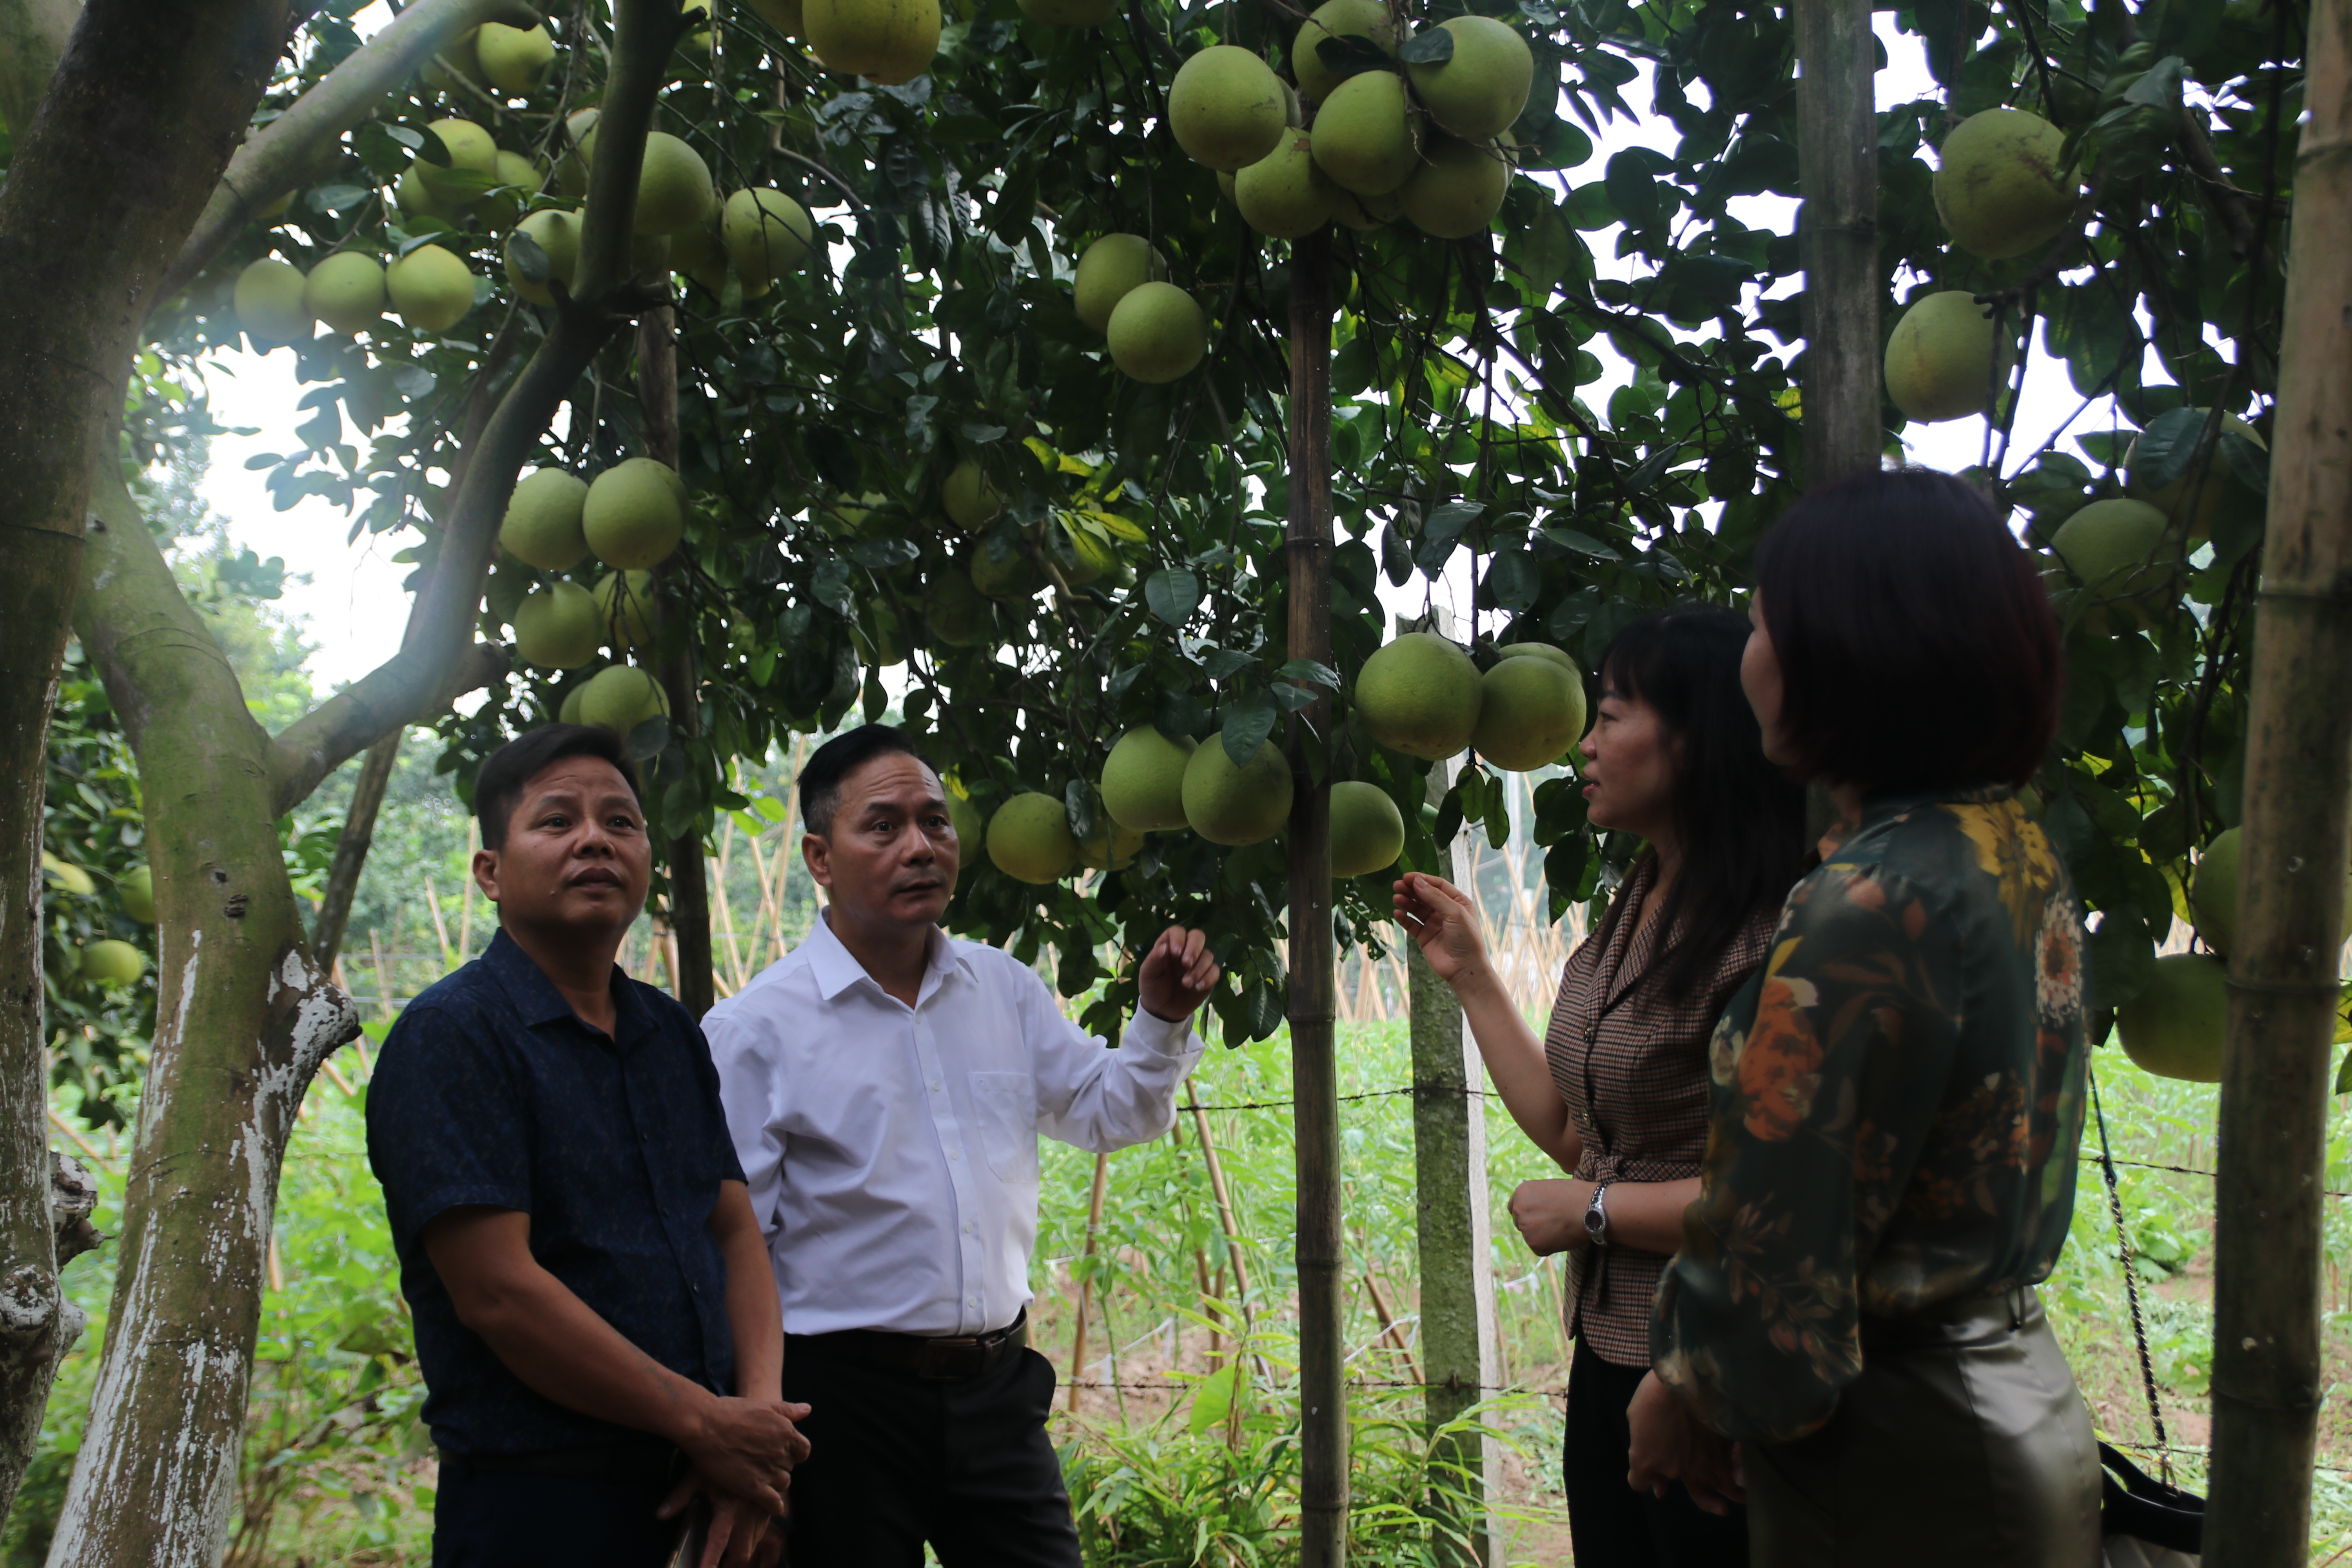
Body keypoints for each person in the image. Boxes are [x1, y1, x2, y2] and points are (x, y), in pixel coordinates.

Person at [1631, 467, 2101, 1567]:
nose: (1749, 655)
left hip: (1904, 1446)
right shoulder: (2002, 844)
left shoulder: (1874, 901)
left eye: (1760, 622)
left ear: (1848, 650)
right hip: (2007, 1388)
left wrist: (1684, 1383)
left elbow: (1786, 1214)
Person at [704, 724, 1222, 1567]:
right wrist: (752, 1432)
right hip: (840, 1405)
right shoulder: (755, 1032)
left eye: (936, 822)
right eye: (884, 825)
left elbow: (1108, 1112)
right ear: (820, 857)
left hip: (995, 1394)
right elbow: (734, 1247)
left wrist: (1158, 1018)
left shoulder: (1002, 989)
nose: (921, 845)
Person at [1394, 606, 1806, 1567]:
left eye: (1611, 714)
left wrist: (1596, 1215)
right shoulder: (1641, 899)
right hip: (1614, 1348)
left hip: (1720, 1361)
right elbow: (1585, 1139)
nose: (1584, 742)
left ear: (1696, 736)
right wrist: (1472, 973)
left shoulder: (1776, 932)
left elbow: (1780, 1194)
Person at [366, 724, 805, 1568]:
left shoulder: (668, 1029)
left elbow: (732, 1227)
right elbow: (499, 1290)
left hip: (712, 1479)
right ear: (490, 871)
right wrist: (706, 1422)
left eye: (621, 821)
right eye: (557, 820)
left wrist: (756, 1428)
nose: (596, 838)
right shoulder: (453, 1035)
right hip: (545, 1500)